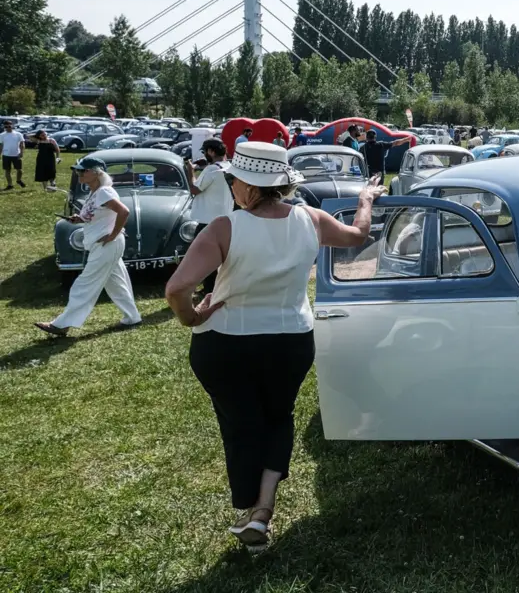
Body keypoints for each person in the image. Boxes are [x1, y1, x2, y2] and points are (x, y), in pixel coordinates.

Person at [163, 142, 385, 552]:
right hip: (290, 340)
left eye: (232, 180)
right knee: (278, 417)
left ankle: (251, 509)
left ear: (246, 185)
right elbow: (358, 235)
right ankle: (262, 510)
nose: (231, 186)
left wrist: (192, 316)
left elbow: (177, 288)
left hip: (226, 343)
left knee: (241, 423)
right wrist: (365, 199)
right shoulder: (311, 219)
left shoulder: (224, 228)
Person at [35, 158, 141, 337]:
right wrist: (79, 218)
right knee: (116, 283)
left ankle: (61, 324)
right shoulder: (95, 193)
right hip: (103, 245)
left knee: (84, 284)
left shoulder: (104, 192)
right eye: (78, 171)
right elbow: (96, 215)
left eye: (83, 171)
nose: (79, 174)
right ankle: (132, 317)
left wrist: (114, 234)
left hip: (106, 244)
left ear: (97, 172)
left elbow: (124, 212)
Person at [184, 139, 235, 297]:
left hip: (208, 220)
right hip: (226, 218)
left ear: (211, 152)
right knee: (222, 256)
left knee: (204, 256)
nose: (204, 155)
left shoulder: (211, 170)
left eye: (205, 151)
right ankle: (217, 287)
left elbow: (194, 189)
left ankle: (209, 289)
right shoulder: (228, 167)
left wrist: (190, 171)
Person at [2, 120, 26, 189]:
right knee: (7, 170)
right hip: (6, 155)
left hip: (16, 154)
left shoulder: (18, 134)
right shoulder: (2, 135)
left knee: (19, 170)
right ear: (4, 127)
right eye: (6, 127)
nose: (8, 128)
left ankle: (19, 180)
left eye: (9, 126)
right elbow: (1, 145)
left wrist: (21, 152)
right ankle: (10, 185)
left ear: (12, 126)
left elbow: (22, 144)